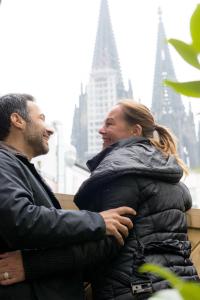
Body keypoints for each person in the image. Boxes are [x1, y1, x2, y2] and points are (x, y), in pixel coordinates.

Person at [0, 99, 198, 299]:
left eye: (110, 124)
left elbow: (106, 242)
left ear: (135, 131)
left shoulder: (124, 169)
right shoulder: (165, 172)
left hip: (137, 290)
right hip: (181, 286)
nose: (100, 130)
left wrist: (31, 265)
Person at [0, 93, 136, 300]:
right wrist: (97, 221)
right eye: (41, 118)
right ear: (17, 120)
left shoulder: (16, 165)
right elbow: (20, 219)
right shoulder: (3, 162)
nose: (50, 129)